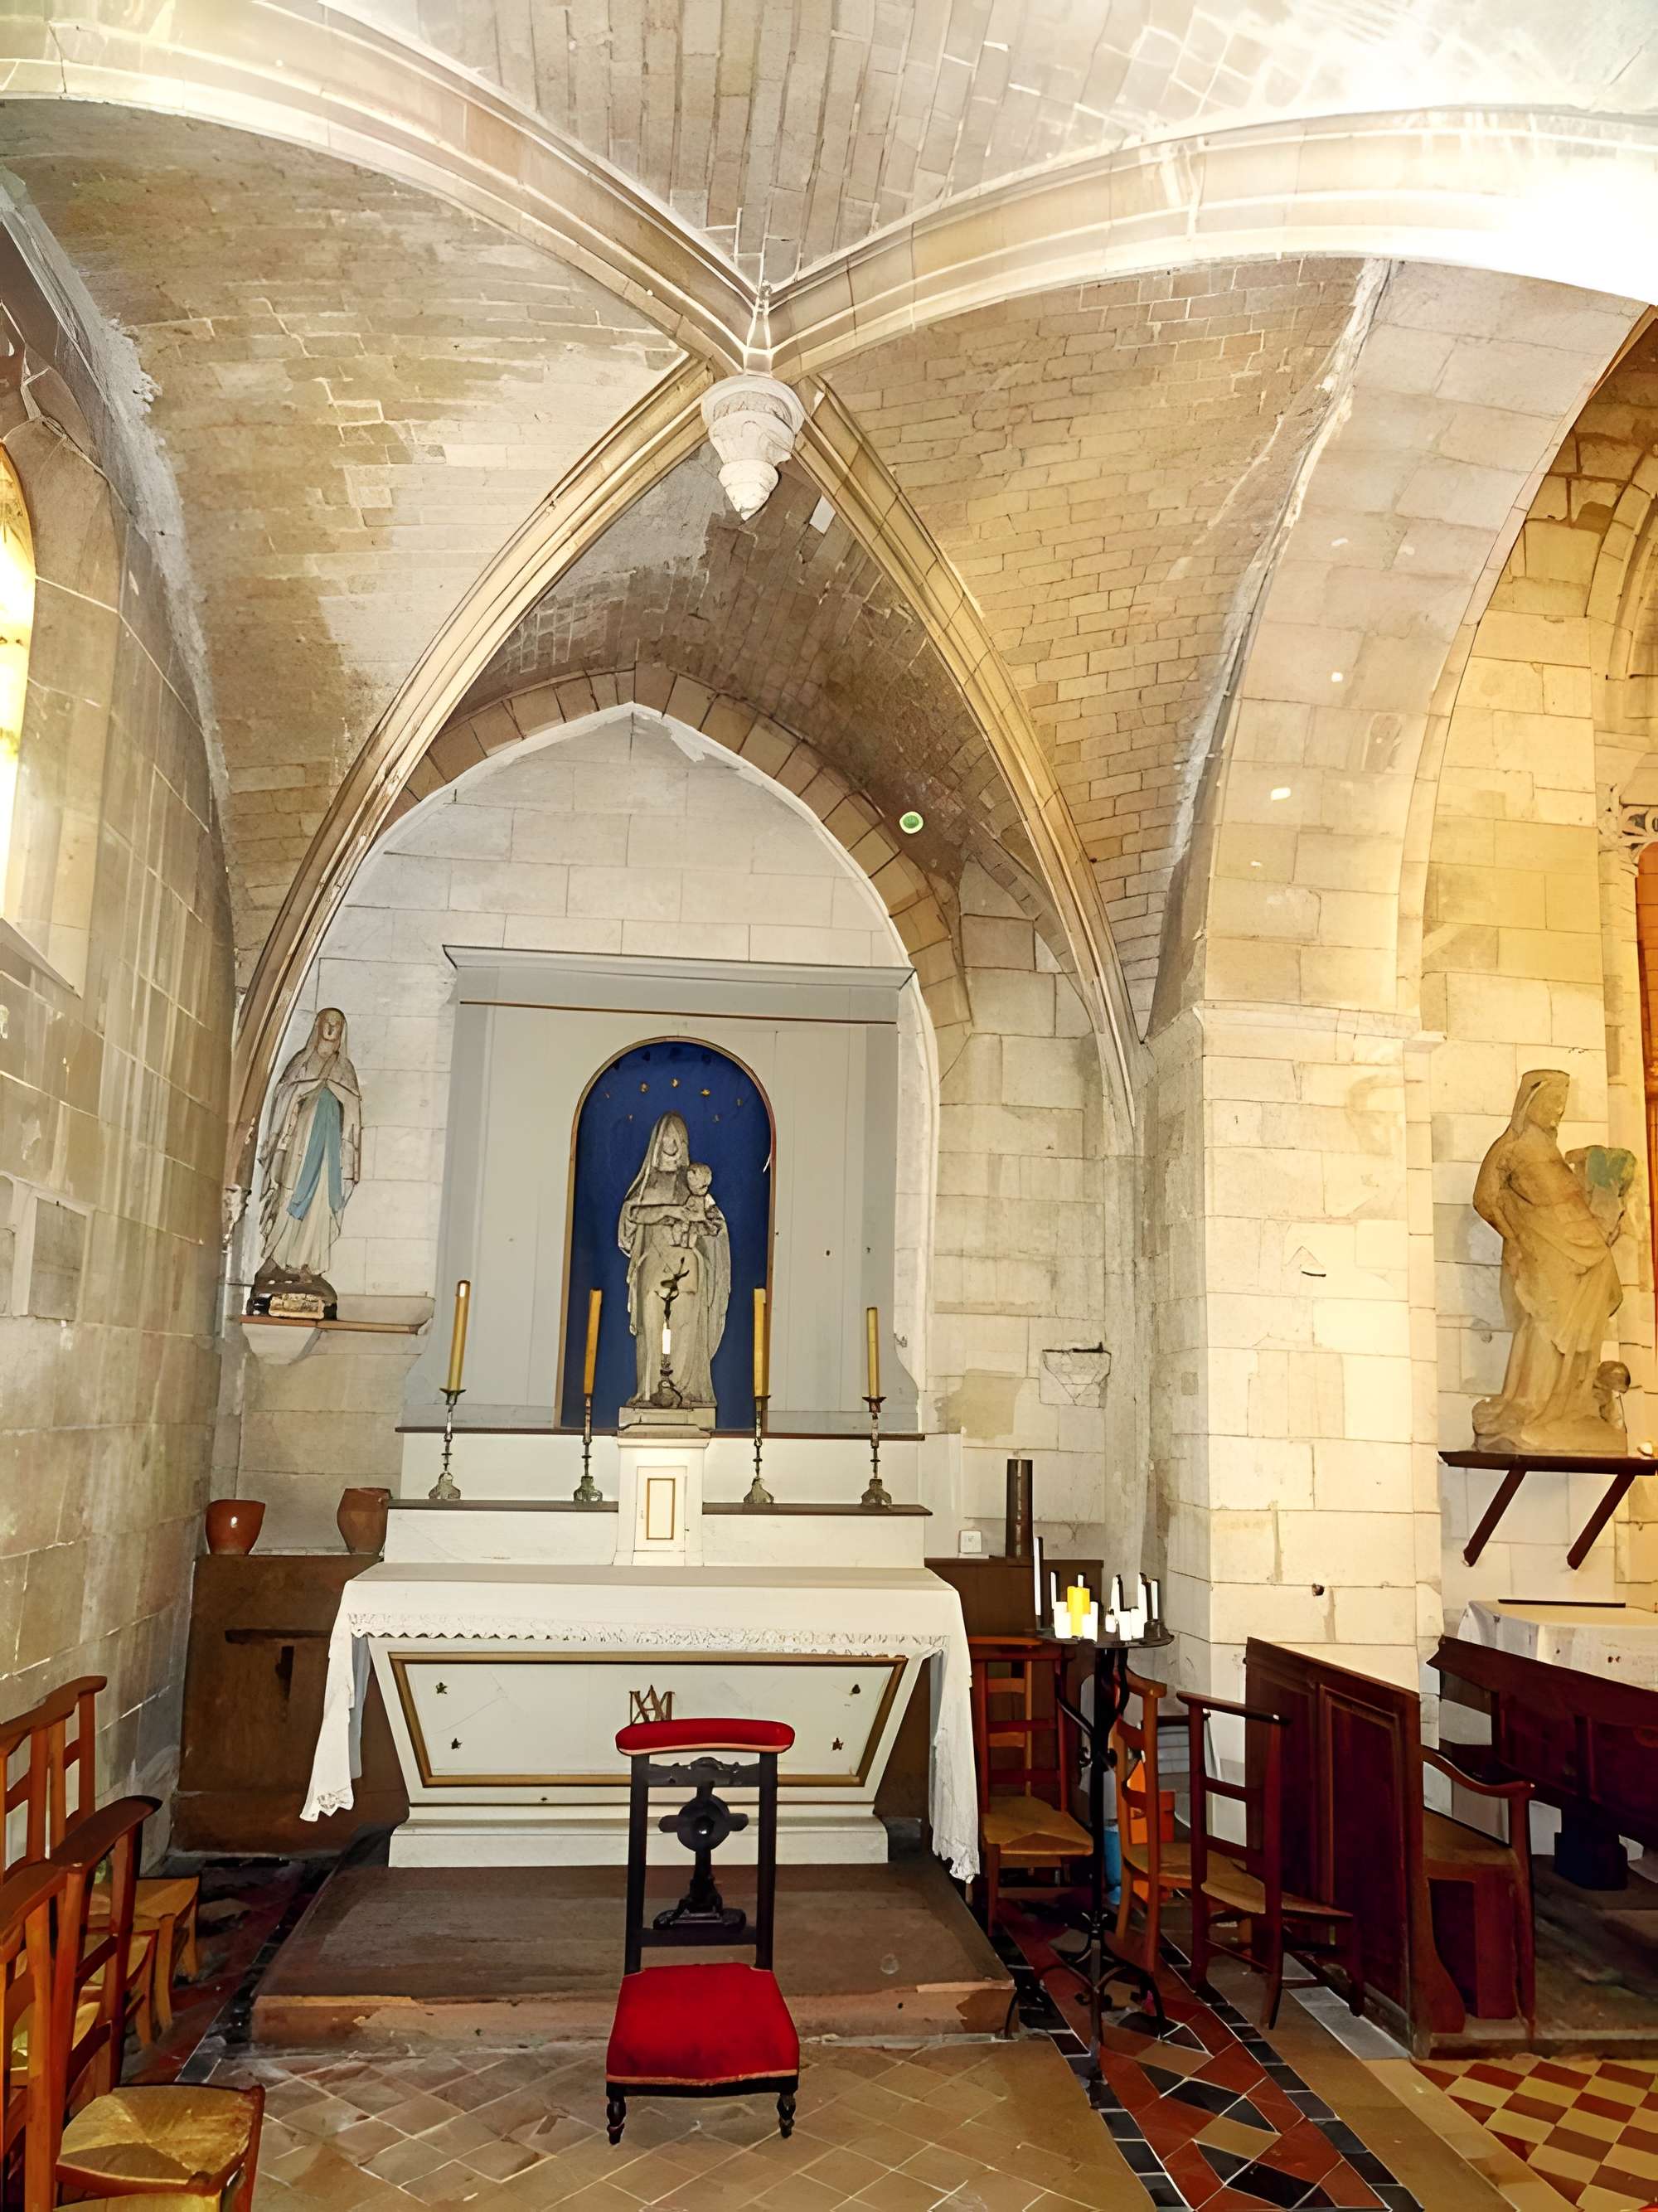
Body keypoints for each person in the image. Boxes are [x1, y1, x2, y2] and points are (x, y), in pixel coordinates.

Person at [1472, 1070, 1631, 1451]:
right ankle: (1532, 1406)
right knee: (1546, 1328)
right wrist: (1516, 1237)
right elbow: (1485, 1198)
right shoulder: (1511, 1146)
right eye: (1551, 1101)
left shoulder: (1551, 1149)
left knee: (1582, 1334)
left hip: (1584, 1250)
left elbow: (1568, 1199)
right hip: (1545, 1253)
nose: (1558, 1110)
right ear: (1530, 1102)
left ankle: (1570, 1407)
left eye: (1562, 1103)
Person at [617, 1116, 729, 1409]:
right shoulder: (647, 1183)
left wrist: (705, 1223)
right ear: (657, 1143)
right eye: (666, 1138)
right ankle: (650, 1389)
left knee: (685, 1319)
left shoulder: (690, 1181)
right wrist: (671, 1211)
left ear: (684, 1143)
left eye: (677, 1138)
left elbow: (713, 1220)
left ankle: (681, 1388)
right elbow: (631, 1216)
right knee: (651, 1313)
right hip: (653, 1259)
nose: (671, 1145)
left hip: (686, 1262)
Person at [255, 1007, 361, 1299]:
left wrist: (339, 1096)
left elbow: (353, 1110)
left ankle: (307, 1265)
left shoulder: (345, 1070)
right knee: (290, 1194)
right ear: (317, 1025)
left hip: (328, 1145)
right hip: (300, 1142)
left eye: (337, 1024)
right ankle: (278, 1259)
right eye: (327, 1022)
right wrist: (310, 1089)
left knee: (321, 1200)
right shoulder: (302, 1062)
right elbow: (284, 1095)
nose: (331, 1029)